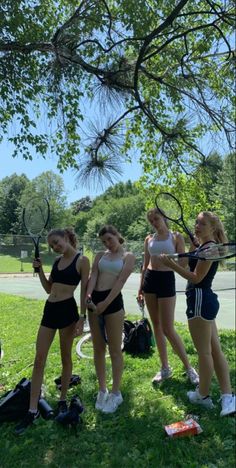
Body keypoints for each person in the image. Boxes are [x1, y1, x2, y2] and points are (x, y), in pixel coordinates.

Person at [159, 211, 235, 416]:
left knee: (205, 352)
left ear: (213, 228)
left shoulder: (209, 248)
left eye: (202, 223)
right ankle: (227, 397)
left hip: (200, 299)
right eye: (196, 222)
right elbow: (189, 265)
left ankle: (203, 395)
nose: (197, 226)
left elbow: (196, 278)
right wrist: (193, 249)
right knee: (214, 349)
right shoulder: (204, 247)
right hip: (204, 300)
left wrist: (171, 264)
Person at [15, 228, 90, 434]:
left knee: (66, 358)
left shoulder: (82, 261)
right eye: (52, 245)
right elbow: (49, 288)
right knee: (39, 359)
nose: (56, 247)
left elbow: (84, 291)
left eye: (57, 242)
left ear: (66, 238)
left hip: (68, 311)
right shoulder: (57, 262)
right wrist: (39, 270)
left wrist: (82, 318)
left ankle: (63, 399)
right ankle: (32, 410)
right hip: (50, 309)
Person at [138, 208, 199, 385]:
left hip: (166, 280)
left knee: (168, 328)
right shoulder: (149, 238)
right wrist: (140, 288)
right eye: (151, 221)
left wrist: (188, 251)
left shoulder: (176, 237)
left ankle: (189, 368)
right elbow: (145, 264)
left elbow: (183, 263)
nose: (154, 223)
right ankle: (165, 368)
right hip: (150, 280)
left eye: (156, 219)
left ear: (164, 218)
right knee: (156, 326)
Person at [86, 225, 135, 414]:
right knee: (98, 348)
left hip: (112, 303)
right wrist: (89, 296)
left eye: (110, 239)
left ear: (117, 235)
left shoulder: (128, 256)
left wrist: (105, 303)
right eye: (104, 241)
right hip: (94, 303)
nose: (108, 244)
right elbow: (94, 275)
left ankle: (116, 393)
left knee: (115, 349)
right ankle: (102, 389)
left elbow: (121, 281)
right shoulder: (100, 255)